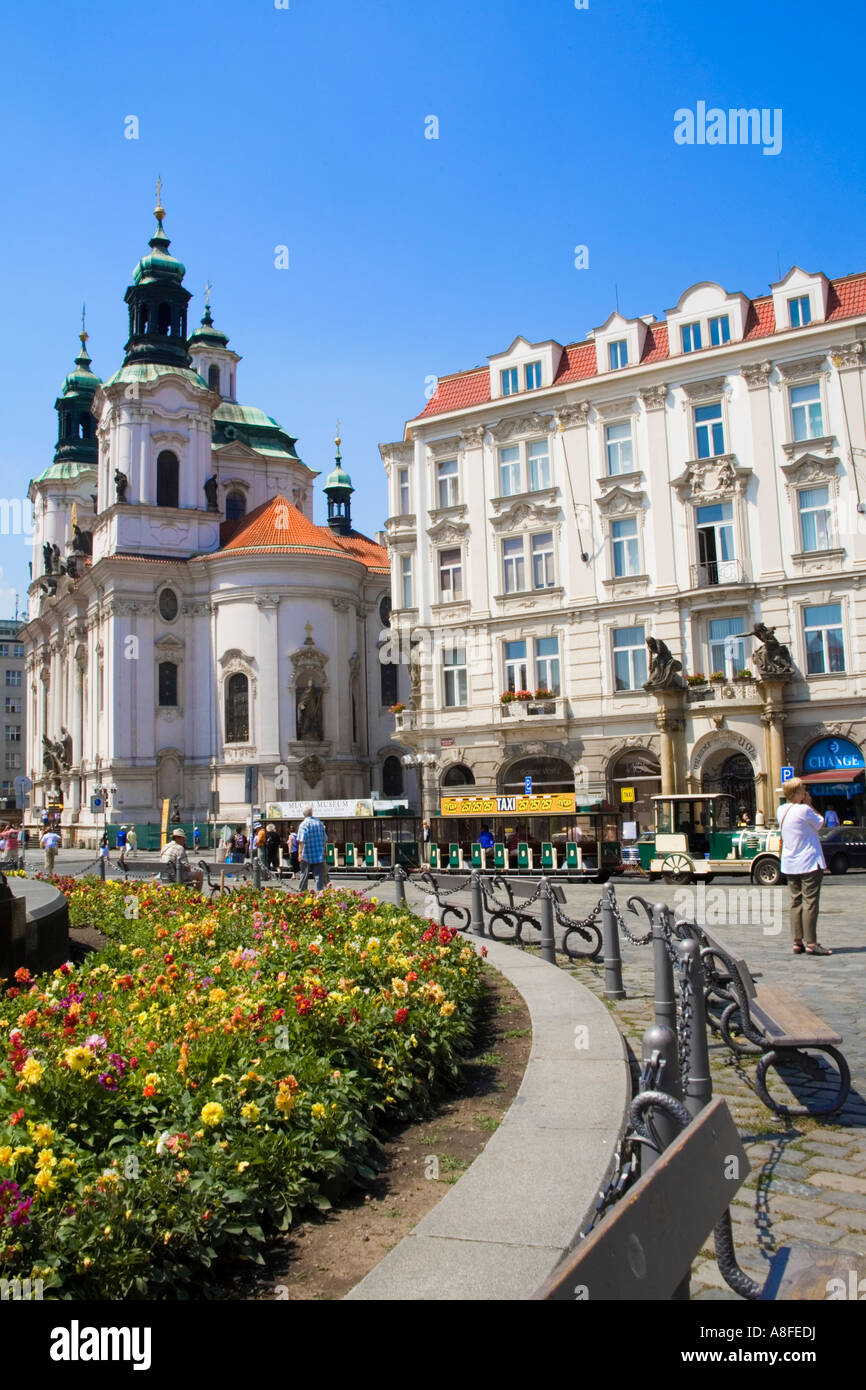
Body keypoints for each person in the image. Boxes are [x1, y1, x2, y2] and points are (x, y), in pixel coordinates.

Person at [778, 779, 830, 956]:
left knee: (795, 902)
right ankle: (812, 943)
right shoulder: (805, 810)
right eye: (803, 789)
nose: (806, 791)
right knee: (810, 903)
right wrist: (809, 804)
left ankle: (797, 941)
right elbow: (821, 823)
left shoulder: (781, 810)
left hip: (790, 863)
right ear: (797, 792)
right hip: (808, 862)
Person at [297, 805, 326, 893]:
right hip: (318, 853)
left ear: (304, 814)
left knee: (304, 875)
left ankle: (302, 893)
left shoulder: (304, 824)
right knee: (318, 875)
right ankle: (320, 893)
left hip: (306, 854)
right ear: (311, 813)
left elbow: (301, 840)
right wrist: (323, 850)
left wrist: (300, 853)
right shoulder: (319, 823)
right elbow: (324, 838)